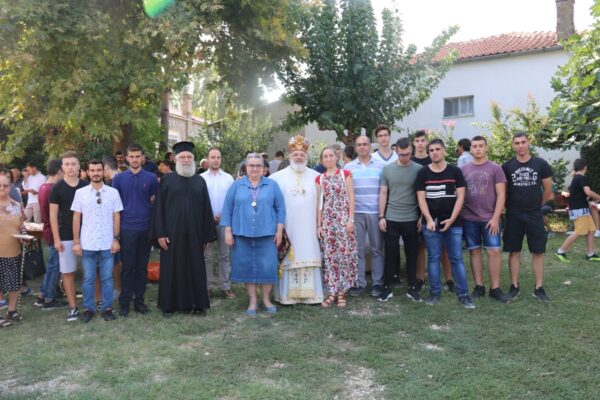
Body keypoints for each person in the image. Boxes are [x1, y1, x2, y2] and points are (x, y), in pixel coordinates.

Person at [151, 141, 216, 316]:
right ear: (176, 159)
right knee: (172, 268)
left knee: (195, 268)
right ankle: (169, 306)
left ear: (193, 160)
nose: (186, 160)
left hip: (195, 234)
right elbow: (159, 208)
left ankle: (197, 304)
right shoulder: (167, 180)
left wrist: (207, 236)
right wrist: (160, 233)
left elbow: (206, 209)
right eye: (183, 157)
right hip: (172, 235)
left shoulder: (200, 181)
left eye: (189, 157)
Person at [221, 153, 285, 315]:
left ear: (264, 168)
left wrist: (279, 231)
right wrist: (228, 231)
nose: (255, 168)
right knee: (247, 267)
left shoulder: (272, 185)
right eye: (251, 165)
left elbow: (280, 209)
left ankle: (266, 299)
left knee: (267, 267)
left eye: (258, 165)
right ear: (246, 168)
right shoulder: (237, 185)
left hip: (267, 234)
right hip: (242, 233)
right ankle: (253, 301)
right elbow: (227, 209)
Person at [415, 139, 475, 309]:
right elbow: (421, 199)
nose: (434, 152)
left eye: (437, 149)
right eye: (431, 150)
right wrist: (428, 219)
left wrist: (452, 219)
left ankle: (464, 294)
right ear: (429, 153)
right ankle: (434, 292)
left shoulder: (455, 171)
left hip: (453, 223)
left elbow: (461, 197)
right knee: (433, 258)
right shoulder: (423, 173)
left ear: (444, 151)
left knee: (456, 258)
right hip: (431, 223)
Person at [270, 136, 324, 305]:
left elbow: (322, 204)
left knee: (309, 252)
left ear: (306, 156)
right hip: (288, 227)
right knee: (289, 256)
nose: (299, 157)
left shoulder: (317, 177)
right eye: (295, 154)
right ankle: (287, 297)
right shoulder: (276, 178)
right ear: (290, 156)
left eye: (302, 154)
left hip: (309, 227)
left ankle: (312, 296)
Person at [502, 132, 553, 303]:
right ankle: (514, 286)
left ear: (528, 143)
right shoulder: (507, 166)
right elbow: (504, 192)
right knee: (514, 251)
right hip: (514, 214)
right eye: (517, 143)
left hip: (534, 214)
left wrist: (538, 205)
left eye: (523, 142)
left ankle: (539, 288)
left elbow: (548, 190)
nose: (520, 146)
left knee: (538, 251)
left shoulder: (541, 164)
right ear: (512, 145)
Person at [71, 160, 123, 322]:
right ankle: (89, 309)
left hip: (108, 242)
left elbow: (116, 217)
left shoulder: (113, 192)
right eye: (92, 170)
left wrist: (116, 239)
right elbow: (76, 218)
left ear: (103, 171)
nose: (95, 173)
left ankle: (107, 308)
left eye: (98, 170)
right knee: (88, 278)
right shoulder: (80, 193)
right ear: (88, 172)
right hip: (88, 243)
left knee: (107, 278)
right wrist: (76, 242)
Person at [460, 136, 509, 303]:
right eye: (474, 146)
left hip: (490, 218)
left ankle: (495, 288)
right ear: (471, 149)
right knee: (474, 251)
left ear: (486, 147)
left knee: (494, 251)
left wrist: (496, 218)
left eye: (481, 146)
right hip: (469, 217)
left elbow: (501, 195)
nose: (478, 149)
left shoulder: (496, 168)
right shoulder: (463, 169)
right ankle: (479, 286)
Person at [112, 143, 158, 317]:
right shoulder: (119, 179)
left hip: (145, 228)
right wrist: (116, 233)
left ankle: (139, 301)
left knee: (141, 267)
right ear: (126, 158)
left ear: (142, 158)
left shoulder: (151, 178)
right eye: (132, 156)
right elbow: (114, 207)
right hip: (127, 228)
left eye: (138, 156)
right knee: (128, 267)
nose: (135, 159)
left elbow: (155, 201)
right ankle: (125, 302)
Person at [378, 138, 423, 302]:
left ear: (412, 151)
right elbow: (383, 193)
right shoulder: (387, 169)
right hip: (391, 218)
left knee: (412, 254)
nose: (405, 157)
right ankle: (387, 287)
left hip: (411, 218)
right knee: (390, 254)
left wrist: (422, 216)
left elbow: (422, 195)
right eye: (402, 154)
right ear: (396, 151)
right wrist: (381, 216)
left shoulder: (419, 169)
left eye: (408, 154)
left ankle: (412, 287)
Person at [344, 135, 385, 297]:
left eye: (365, 144)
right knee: (358, 249)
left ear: (370, 146)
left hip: (375, 212)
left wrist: (382, 214)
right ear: (355, 148)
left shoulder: (381, 166)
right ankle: (359, 283)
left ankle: (377, 283)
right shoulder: (348, 167)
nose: (362, 147)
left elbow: (384, 191)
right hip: (357, 213)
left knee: (377, 248)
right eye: (359, 145)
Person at [50, 151, 88, 322]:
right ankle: (73, 307)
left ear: (79, 166)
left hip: (88, 234)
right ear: (62, 167)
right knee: (68, 272)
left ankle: (96, 303)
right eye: (67, 164)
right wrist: (56, 239)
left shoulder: (87, 186)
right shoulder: (57, 188)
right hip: (65, 235)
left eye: (73, 164)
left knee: (92, 271)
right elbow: (52, 216)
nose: (70, 167)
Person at [316, 147, 357, 307]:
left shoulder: (345, 174)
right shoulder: (319, 178)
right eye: (325, 156)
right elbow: (319, 203)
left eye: (331, 155)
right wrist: (319, 225)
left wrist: (351, 219)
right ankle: (332, 290)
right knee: (330, 256)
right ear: (322, 160)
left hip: (343, 220)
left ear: (336, 157)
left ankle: (342, 291)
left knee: (344, 255)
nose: (328, 158)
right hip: (328, 222)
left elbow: (351, 196)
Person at [201, 148, 235, 299]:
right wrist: (208, 215)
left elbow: (232, 200)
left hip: (224, 221)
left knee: (224, 255)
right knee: (206, 255)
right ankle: (206, 287)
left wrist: (224, 215)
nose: (215, 160)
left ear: (221, 159)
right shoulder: (201, 178)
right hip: (205, 222)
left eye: (218, 157)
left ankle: (225, 287)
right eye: (213, 157)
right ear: (208, 159)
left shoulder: (228, 178)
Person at [555, 159, 600, 262]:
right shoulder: (582, 178)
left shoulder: (576, 178)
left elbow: (577, 195)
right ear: (585, 167)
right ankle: (560, 251)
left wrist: (589, 203)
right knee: (579, 231)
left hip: (582, 209)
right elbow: (588, 192)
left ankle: (590, 254)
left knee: (591, 230)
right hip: (579, 210)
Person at [35, 160, 66, 310]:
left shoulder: (43, 187)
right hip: (54, 231)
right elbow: (56, 214)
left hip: (48, 230)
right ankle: (49, 298)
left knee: (53, 265)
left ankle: (42, 295)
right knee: (54, 266)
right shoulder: (52, 189)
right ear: (59, 170)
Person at [0, 173, 28, 325]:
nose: (2, 188)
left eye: (5, 185)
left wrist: (23, 234)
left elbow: (21, 225)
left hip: (13, 251)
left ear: (10, 186)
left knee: (14, 283)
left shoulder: (16, 205)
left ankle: (12, 311)